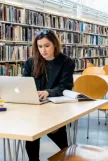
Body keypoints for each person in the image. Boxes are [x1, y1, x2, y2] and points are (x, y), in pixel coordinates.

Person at [22, 30, 74, 161]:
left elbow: (66, 86)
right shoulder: (31, 62)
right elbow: (25, 83)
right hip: (35, 107)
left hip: (56, 108)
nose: (43, 50)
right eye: (40, 46)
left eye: (47, 46)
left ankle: (68, 154)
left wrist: (48, 92)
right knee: (32, 131)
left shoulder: (66, 62)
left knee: (59, 139)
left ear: (54, 45)